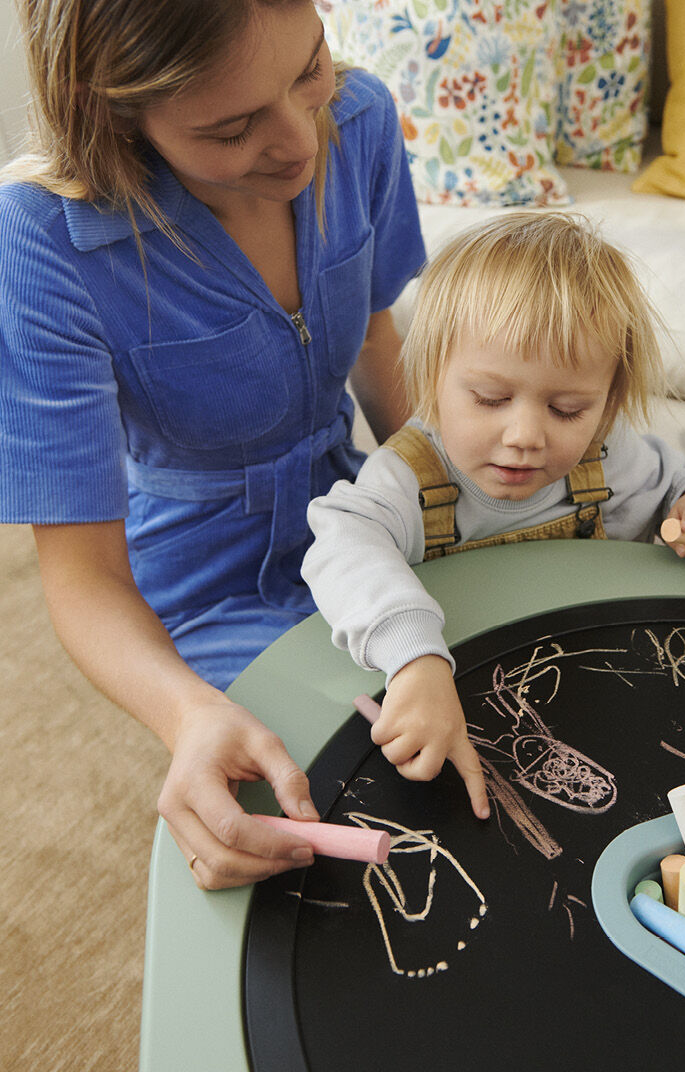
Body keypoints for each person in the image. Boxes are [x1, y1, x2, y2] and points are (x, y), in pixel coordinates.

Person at [0, 0, 426, 889]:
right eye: (232, 129)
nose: (301, 141)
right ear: (108, 107)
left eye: (308, 67)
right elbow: (82, 580)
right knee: (337, 806)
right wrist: (187, 716)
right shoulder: (41, 241)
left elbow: (380, 347)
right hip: (200, 585)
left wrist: (461, 501)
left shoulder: (362, 119)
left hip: (355, 512)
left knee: (467, 705)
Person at [303, 212, 685, 817]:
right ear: (432, 377)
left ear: (609, 406)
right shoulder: (410, 476)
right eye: (490, 399)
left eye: (567, 409)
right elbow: (340, 539)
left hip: (580, 692)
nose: (525, 436)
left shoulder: (608, 458)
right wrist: (412, 656)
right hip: (445, 701)